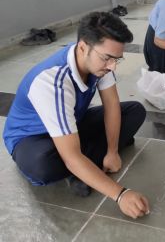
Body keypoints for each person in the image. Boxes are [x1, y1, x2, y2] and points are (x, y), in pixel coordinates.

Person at [3, 12, 149, 219]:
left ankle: (86, 168)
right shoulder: (52, 82)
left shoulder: (102, 66)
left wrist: (113, 150)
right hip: (32, 138)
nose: (113, 66)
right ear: (83, 47)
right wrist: (121, 194)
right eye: (107, 58)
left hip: (70, 124)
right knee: (43, 165)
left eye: (117, 59)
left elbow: (112, 103)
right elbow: (70, 158)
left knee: (134, 111)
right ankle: (83, 167)